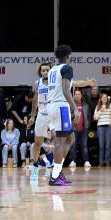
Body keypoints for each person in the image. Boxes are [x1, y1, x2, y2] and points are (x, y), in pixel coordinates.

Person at [46, 45, 79, 186]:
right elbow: (66, 90)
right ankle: (54, 176)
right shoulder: (67, 68)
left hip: (51, 105)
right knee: (59, 141)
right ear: (68, 55)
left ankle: (57, 171)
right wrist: (75, 109)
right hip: (61, 106)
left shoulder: (52, 69)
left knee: (70, 138)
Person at [29, 62, 53, 180]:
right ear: (40, 72)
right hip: (42, 114)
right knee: (37, 143)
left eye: (47, 70)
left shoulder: (55, 82)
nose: (45, 72)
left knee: (60, 141)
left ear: (51, 71)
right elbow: (34, 101)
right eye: (43, 70)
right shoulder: (37, 83)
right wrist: (32, 116)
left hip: (53, 114)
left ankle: (57, 170)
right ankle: (34, 167)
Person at [68, 89, 91, 168]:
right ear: (73, 96)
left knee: (84, 145)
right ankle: (73, 161)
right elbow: (68, 116)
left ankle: (86, 161)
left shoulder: (85, 105)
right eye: (76, 94)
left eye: (78, 94)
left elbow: (88, 116)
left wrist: (87, 125)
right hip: (73, 129)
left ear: (81, 96)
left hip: (84, 129)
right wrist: (75, 116)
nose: (77, 95)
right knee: (73, 146)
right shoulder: (71, 105)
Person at [94, 93, 111, 167]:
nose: (104, 99)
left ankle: (107, 162)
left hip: (108, 127)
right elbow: (95, 118)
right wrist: (100, 110)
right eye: (103, 97)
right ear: (100, 99)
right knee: (101, 146)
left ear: (107, 99)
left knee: (108, 145)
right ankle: (101, 162)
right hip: (100, 127)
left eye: (105, 97)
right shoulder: (98, 106)